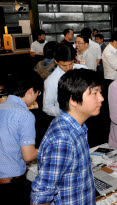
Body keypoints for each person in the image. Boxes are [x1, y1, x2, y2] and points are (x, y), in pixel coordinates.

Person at [31, 69, 104, 205]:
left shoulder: (77, 126)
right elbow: (41, 197)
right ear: (73, 100)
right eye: (94, 93)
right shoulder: (63, 139)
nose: (101, 98)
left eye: (100, 92)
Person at [0, 71, 43, 205]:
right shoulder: (25, 115)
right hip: (11, 181)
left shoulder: (1, 107)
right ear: (31, 91)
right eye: (38, 93)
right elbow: (29, 156)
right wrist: (48, 147)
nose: (36, 98)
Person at [43, 44, 87, 117]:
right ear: (55, 61)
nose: (68, 68)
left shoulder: (84, 70)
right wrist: (68, 112)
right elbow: (47, 107)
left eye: (71, 63)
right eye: (64, 65)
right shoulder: (51, 81)